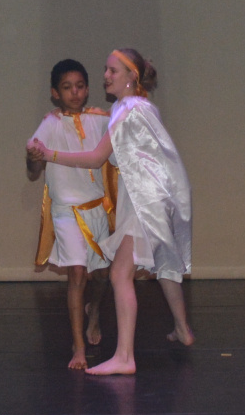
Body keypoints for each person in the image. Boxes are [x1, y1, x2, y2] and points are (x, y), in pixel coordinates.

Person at [29, 48, 193, 375]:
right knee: (164, 264)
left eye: (112, 71)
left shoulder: (129, 111)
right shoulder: (131, 108)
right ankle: (182, 328)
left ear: (132, 76)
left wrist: (49, 154)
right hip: (151, 199)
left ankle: (125, 357)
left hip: (147, 201)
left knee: (119, 275)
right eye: (105, 70)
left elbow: (95, 159)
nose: (105, 76)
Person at [25, 59, 115, 370]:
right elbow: (34, 168)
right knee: (77, 272)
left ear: (87, 89)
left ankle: (94, 311)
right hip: (66, 212)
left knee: (101, 275)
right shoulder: (50, 124)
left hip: (96, 209)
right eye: (67, 87)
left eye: (79, 86)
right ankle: (78, 347)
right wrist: (33, 156)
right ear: (55, 93)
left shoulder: (99, 120)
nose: (74, 92)